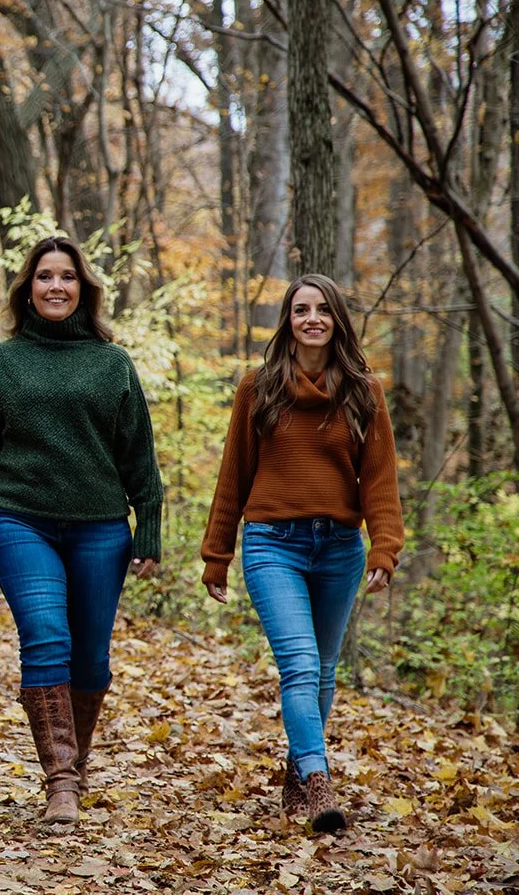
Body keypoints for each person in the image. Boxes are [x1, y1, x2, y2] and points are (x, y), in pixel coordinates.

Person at [0, 235, 162, 826]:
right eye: (44, 276)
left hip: (101, 527)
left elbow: (140, 459)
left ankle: (75, 758)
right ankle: (61, 781)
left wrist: (148, 533)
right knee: (46, 638)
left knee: (92, 659)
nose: (55, 287)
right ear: (28, 288)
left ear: (84, 288)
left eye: (67, 277)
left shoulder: (112, 363)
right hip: (22, 520)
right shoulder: (2, 362)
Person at [201, 273, 403, 833]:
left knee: (325, 671)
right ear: (287, 321)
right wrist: (216, 553)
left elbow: (379, 482)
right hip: (272, 544)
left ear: (337, 319)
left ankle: (296, 771)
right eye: (300, 310)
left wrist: (383, 548)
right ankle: (319, 781)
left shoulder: (364, 392)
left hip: (338, 546)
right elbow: (233, 474)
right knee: (301, 663)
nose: (311, 318)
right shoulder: (258, 387)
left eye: (322, 310)